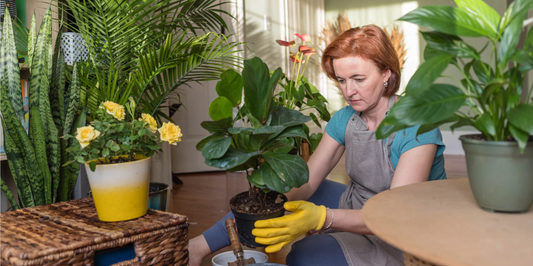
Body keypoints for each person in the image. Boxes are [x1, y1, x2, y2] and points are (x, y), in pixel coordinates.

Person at [188, 24, 446, 266]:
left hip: (406, 235)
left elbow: (396, 215)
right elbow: (308, 181)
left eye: (358, 79)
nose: (349, 92)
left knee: (304, 255)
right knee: (275, 197)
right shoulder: (346, 118)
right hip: (357, 206)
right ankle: (197, 247)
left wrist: (322, 218)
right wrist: (268, 210)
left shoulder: (416, 124)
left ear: (386, 74)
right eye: (342, 80)